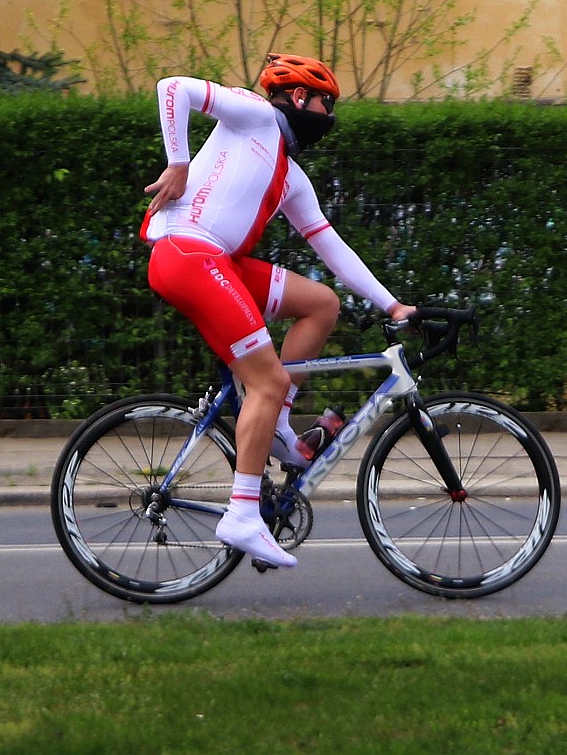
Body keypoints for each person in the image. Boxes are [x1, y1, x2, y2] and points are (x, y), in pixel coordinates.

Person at [141, 53, 414, 569]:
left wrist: (394, 304)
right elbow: (171, 86)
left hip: (216, 259)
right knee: (267, 381)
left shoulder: (290, 176)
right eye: (323, 101)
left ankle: (281, 428)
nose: (328, 113)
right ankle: (243, 513)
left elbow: (333, 249)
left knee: (321, 304)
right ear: (294, 96)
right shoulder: (256, 113)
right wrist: (178, 162)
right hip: (188, 253)